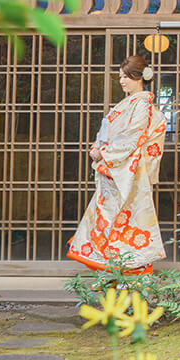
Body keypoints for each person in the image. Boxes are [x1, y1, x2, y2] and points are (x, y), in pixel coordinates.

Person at [68, 54, 167, 273]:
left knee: (122, 221)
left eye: (126, 77)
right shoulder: (129, 103)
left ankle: (127, 272)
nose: (122, 81)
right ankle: (113, 272)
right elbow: (110, 133)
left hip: (126, 174)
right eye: (120, 77)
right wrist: (98, 146)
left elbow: (132, 138)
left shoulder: (142, 105)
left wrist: (102, 153)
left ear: (139, 77)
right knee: (109, 220)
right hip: (115, 172)